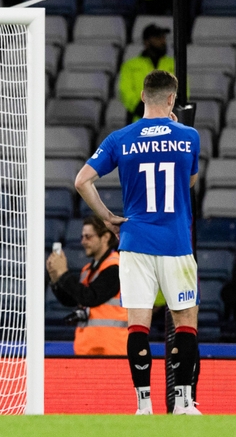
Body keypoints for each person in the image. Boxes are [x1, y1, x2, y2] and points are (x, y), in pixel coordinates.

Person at [75, 70, 201, 415]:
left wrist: (106, 217)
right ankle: (184, 403)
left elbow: (82, 181)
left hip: (134, 241)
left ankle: (143, 406)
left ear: (143, 96)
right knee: (185, 320)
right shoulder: (188, 136)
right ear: (172, 99)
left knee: (138, 324)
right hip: (175, 242)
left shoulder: (120, 138)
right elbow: (189, 182)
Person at [46, 216, 127, 356]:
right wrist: (55, 279)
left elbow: (90, 297)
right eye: (82, 237)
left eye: (88, 237)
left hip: (112, 350)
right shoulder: (87, 270)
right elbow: (72, 300)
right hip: (88, 349)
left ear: (105, 237)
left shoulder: (115, 267)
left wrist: (64, 273)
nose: (83, 241)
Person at [119, 24, 174, 123]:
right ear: (147, 42)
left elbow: (183, 90)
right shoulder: (130, 65)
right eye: (158, 38)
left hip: (167, 120)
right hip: (138, 120)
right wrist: (142, 108)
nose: (163, 41)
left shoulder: (173, 64)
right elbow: (125, 91)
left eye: (163, 38)